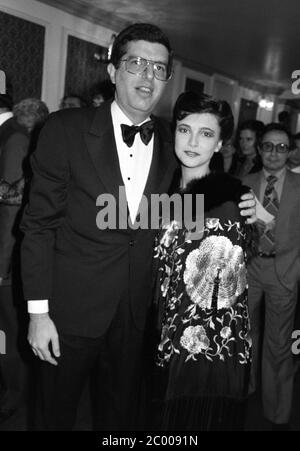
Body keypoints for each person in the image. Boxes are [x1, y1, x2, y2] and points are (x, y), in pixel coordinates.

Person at [21, 23, 256, 431]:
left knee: (120, 420)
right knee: (54, 416)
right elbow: (38, 226)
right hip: (69, 314)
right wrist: (38, 313)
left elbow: (193, 201)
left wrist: (243, 199)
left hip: (137, 319)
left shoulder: (172, 141)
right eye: (136, 63)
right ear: (113, 71)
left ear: (167, 78)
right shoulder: (64, 129)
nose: (148, 76)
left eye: (159, 68)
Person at [153, 92, 252, 431]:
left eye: (206, 133)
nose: (193, 142)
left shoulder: (225, 202)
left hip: (202, 353)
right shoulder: (163, 194)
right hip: (163, 340)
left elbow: (225, 301)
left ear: (221, 142)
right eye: (184, 129)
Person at [244, 123, 300, 430]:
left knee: (278, 345)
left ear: (289, 151)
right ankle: (246, 388)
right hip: (250, 269)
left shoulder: (299, 185)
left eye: (281, 147)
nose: (274, 153)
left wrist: (296, 270)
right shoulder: (244, 182)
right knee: (245, 337)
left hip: (284, 272)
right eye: (268, 146)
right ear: (259, 149)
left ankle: (277, 412)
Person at [0, 92, 30, 422]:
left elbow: (10, 207)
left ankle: (13, 393)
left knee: (5, 330)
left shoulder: (14, 137)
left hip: (3, 261)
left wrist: (1, 264)